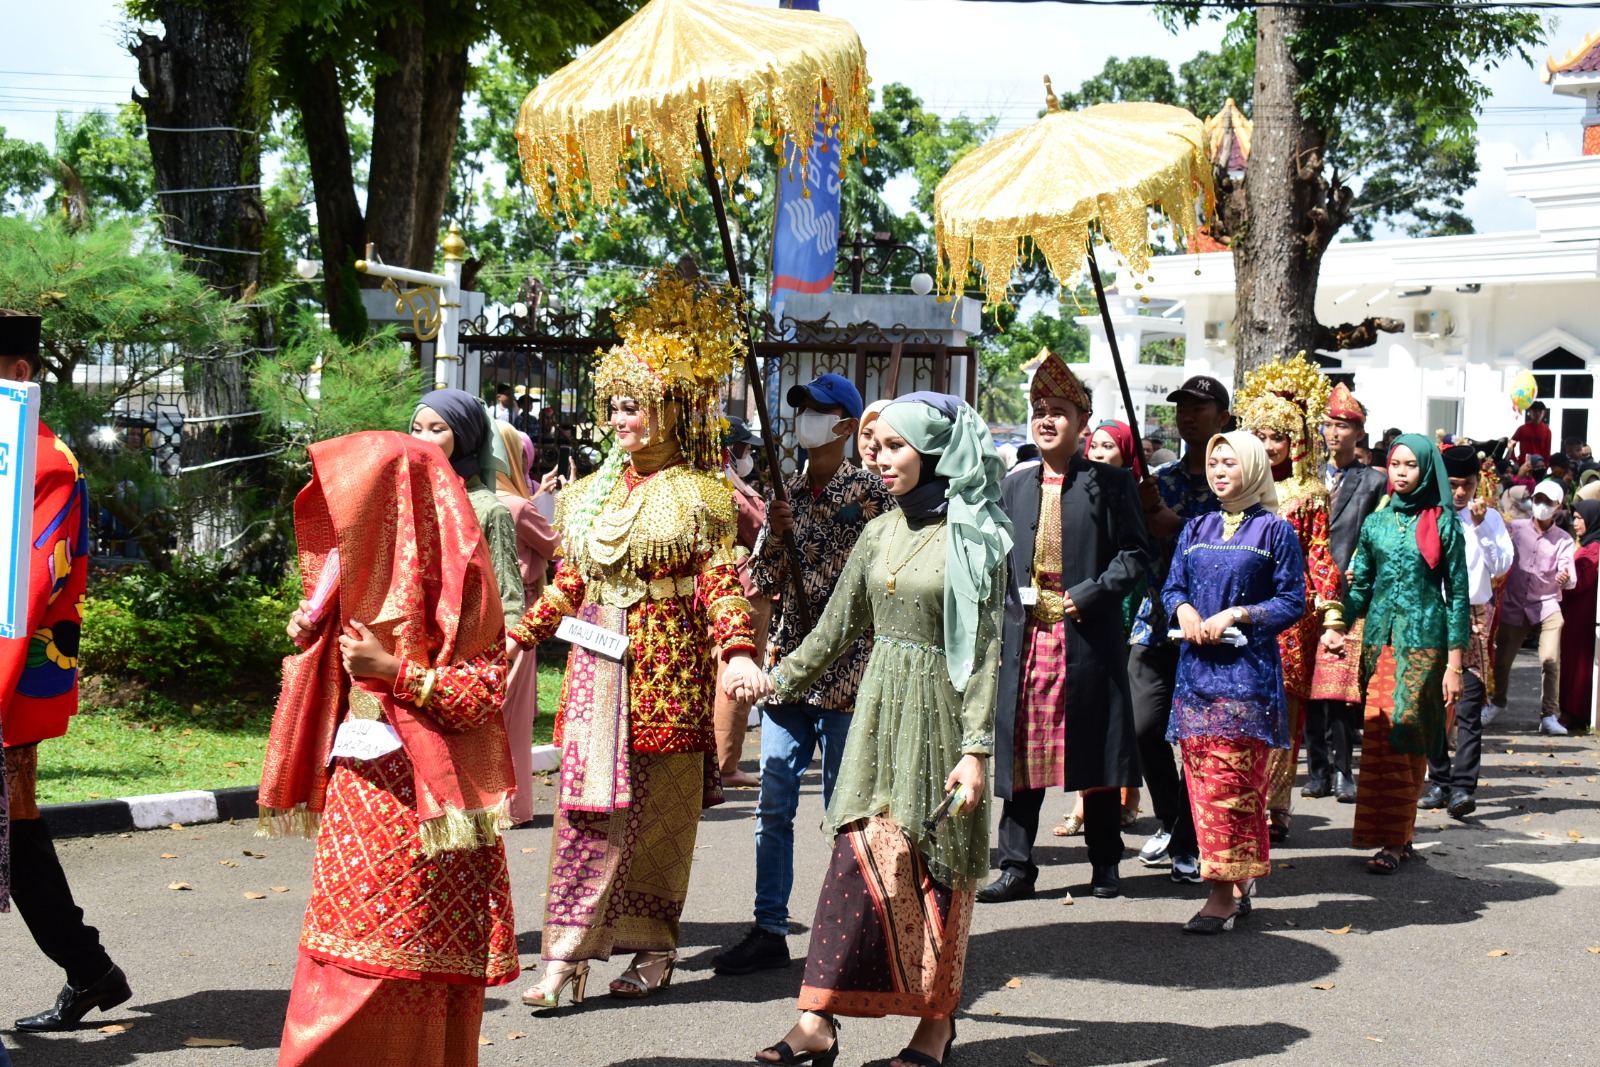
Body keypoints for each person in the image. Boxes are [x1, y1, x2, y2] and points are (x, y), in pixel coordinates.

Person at [508, 272, 761, 1007]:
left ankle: (654, 948)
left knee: (658, 823)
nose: (622, 419)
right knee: (586, 820)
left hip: (670, 676)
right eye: (615, 406)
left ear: (673, 412)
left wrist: (738, 648)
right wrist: (524, 635)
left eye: (636, 406)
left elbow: (721, 583)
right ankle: (563, 956)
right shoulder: (587, 495)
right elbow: (570, 580)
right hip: (595, 678)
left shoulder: (703, 496)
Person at [751, 392, 1009, 1067]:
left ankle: (934, 1028)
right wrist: (773, 679)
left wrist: (977, 751)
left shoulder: (975, 536)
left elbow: (983, 653)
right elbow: (834, 630)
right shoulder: (879, 532)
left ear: (934, 450)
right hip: (879, 718)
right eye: (876, 443)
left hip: (947, 725)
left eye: (895, 445)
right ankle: (817, 1019)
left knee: (937, 872)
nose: (879, 456)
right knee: (856, 864)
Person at [269, 431, 518, 1066]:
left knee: (406, 956)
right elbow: (324, 660)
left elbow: (483, 694)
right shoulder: (349, 560)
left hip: (427, 802)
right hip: (357, 784)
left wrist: (396, 671)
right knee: (340, 952)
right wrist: (311, 631)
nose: (342, 507)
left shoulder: (461, 575)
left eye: (357, 493)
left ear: (397, 496)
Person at [713, 373, 896, 976]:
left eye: (818, 411)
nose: (806, 420)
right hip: (789, 673)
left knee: (846, 812)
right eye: (802, 409)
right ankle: (770, 928)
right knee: (773, 803)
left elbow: (881, 583)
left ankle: (849, 928)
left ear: (846, 425)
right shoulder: (786, 489)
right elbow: (761, 581)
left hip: (849, 674)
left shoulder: (874, 496)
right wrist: (778, 535)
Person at [0, 310, 132, 1033]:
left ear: (17, 373)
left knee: (14, 821)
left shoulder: (45, 461)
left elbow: (28, 586)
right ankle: (88, 967)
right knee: (15, 826)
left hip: (17, 673)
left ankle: (88, 966)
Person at [980, 357, 1150, 904]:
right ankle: (1016, 865)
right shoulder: (1015, 485)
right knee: (1022, 751)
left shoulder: (1113, 482)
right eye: (1038, 412)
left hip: (1086, 634)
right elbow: (998, 560)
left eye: (1058, 412)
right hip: (1027, 637)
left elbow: (1135, 555)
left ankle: (1105, 863)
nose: (1046, 420)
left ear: (1083, 422)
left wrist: (1091, 593)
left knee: (1095, 751)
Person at [1162, 432, 1306, 932]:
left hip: (1247, 681)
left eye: (1230, 462)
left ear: (1253, 466)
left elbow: (1292, 600)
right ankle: (1231, 882)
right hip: (1197, 676)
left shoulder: (1275, 531)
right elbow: (1173, 584)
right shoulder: (1196, 525)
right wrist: (1183, 608)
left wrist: (1238, 613)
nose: (1219, 471)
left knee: (1238, 788)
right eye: (1213, 463)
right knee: (1203, 787)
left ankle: (1222, 892)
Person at [1327, 435, 1469, 875]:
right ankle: (1392, 837)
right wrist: (1337, 622)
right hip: (1379, 645)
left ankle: (1396, 838)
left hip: (1426, 644)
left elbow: (1458, 596)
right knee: (1379, 737)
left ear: (1426, 470)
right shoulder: (1377, 524)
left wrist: (1455, 665)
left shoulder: (1444, 524)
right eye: (1395, 464)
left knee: (1408, 736)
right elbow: (1363, 586)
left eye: (1411, 465)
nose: (1402, 472)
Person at [1237, 355, 1342, 841]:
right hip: (1234, 611)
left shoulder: (1309, 493)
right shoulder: (1236, 490)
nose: (1266, 444)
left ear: (1296, 440)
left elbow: (1319, 556)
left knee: (1281, 712)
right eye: (1257, 433)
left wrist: (1333, 612)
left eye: (1276, 435)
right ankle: (1237, 797)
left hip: (1288, 620)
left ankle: (1275, 804)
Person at [1129, 375, 1230, 882]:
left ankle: (1191, 837)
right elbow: (1138, 540)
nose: (1188, 416)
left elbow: (1222, 542)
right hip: (1153, 621)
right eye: (1181, 408)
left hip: (1209, 628)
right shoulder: (1160, 478)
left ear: (1223, 417)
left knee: (1197, 736)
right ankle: (1171, 819)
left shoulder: (1231, 482)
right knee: (1145, 726)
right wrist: (1143, 508)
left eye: (1200, 407)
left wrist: (1172, 523)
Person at [1418, 446, 1514, 820]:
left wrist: (1481, 528)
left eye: (1467, 485)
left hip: (1473, 616)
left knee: (1469, 704)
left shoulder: (1488, 517)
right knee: (1430, 701)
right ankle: (1439, 779)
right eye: (1454, 484)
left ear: (1478, 483)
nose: (1460, 493)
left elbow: (1502, 565)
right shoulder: (1428, 514)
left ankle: (1463, 788)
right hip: (1433, 614)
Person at [1305, 384, 1388, 803]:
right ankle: (1315, 769)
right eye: (1329, 425)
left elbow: (1374, 533)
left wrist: (1359, 566)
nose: (1334, 433)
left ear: (1360, 432)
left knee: (1339, 688)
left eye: (1343, 426)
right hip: (1305, 588)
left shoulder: (1374, 481)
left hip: (1349, 591)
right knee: (1306, 686)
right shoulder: (1306, 476)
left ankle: (1343, 770)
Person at [492, 422, 562, 827]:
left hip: (479, 614)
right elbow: (556, 544)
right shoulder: (516, 507)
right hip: (519, 615)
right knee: (512, 714)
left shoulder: (476, 499)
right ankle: (511, 805)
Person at [410, 389, 525, 623]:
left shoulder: (489, 510)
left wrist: (503, 655)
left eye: (437, 429)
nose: (422, 439)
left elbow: (508, 598)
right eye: (416, 428)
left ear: (464, 436)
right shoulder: (405, 500)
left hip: (463, 646)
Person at [1494, 478, 1577, 736]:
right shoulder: (1514, 528)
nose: (1541, 505)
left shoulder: (1564, 539)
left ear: (1558, 506)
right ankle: (1496, 702)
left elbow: (1569, 574)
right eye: (1538, 499)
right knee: (1502, 660)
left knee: (1550, 659)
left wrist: (1565, 578)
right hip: (1514, 602)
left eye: (1548, 502)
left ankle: (1549, 714)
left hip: (1547, 603)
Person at [714, 415, 771, 789]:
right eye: (744, 448)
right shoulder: (729, 489)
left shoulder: (713, 482)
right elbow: (761, 529)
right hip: (742, 592)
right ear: (729, 450)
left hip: (723, 592)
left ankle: (717, 762)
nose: (748, 454)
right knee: (736, 679)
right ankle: (725, 764)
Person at [1558, 499, 1600, 732]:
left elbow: (1580, 582)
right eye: (1574, 518)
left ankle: (1575, 711)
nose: (1575, 523)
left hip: (1581, 615)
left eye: (1580, 518)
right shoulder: (1589, 545)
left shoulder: (1594, 549)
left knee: (1578, 664)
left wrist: (1565, 581)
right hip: (1576, 612)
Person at [1512, 401, 1552, 467]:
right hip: (1524, 463)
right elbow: (1511, 444)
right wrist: (1514, 460)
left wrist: (1546, 465)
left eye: (1540, 411)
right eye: (1535, 411)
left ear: (1544, 413)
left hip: (1539, 465)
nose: (1537, 413)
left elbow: (1547, 450)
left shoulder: (1547, 431)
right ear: (1530, 412)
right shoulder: (1522, 428)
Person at [859, 398, 891, 474]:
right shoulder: (842, 482)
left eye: (881, 437)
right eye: (867, 434)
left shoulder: (908, 485)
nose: (872, 445)